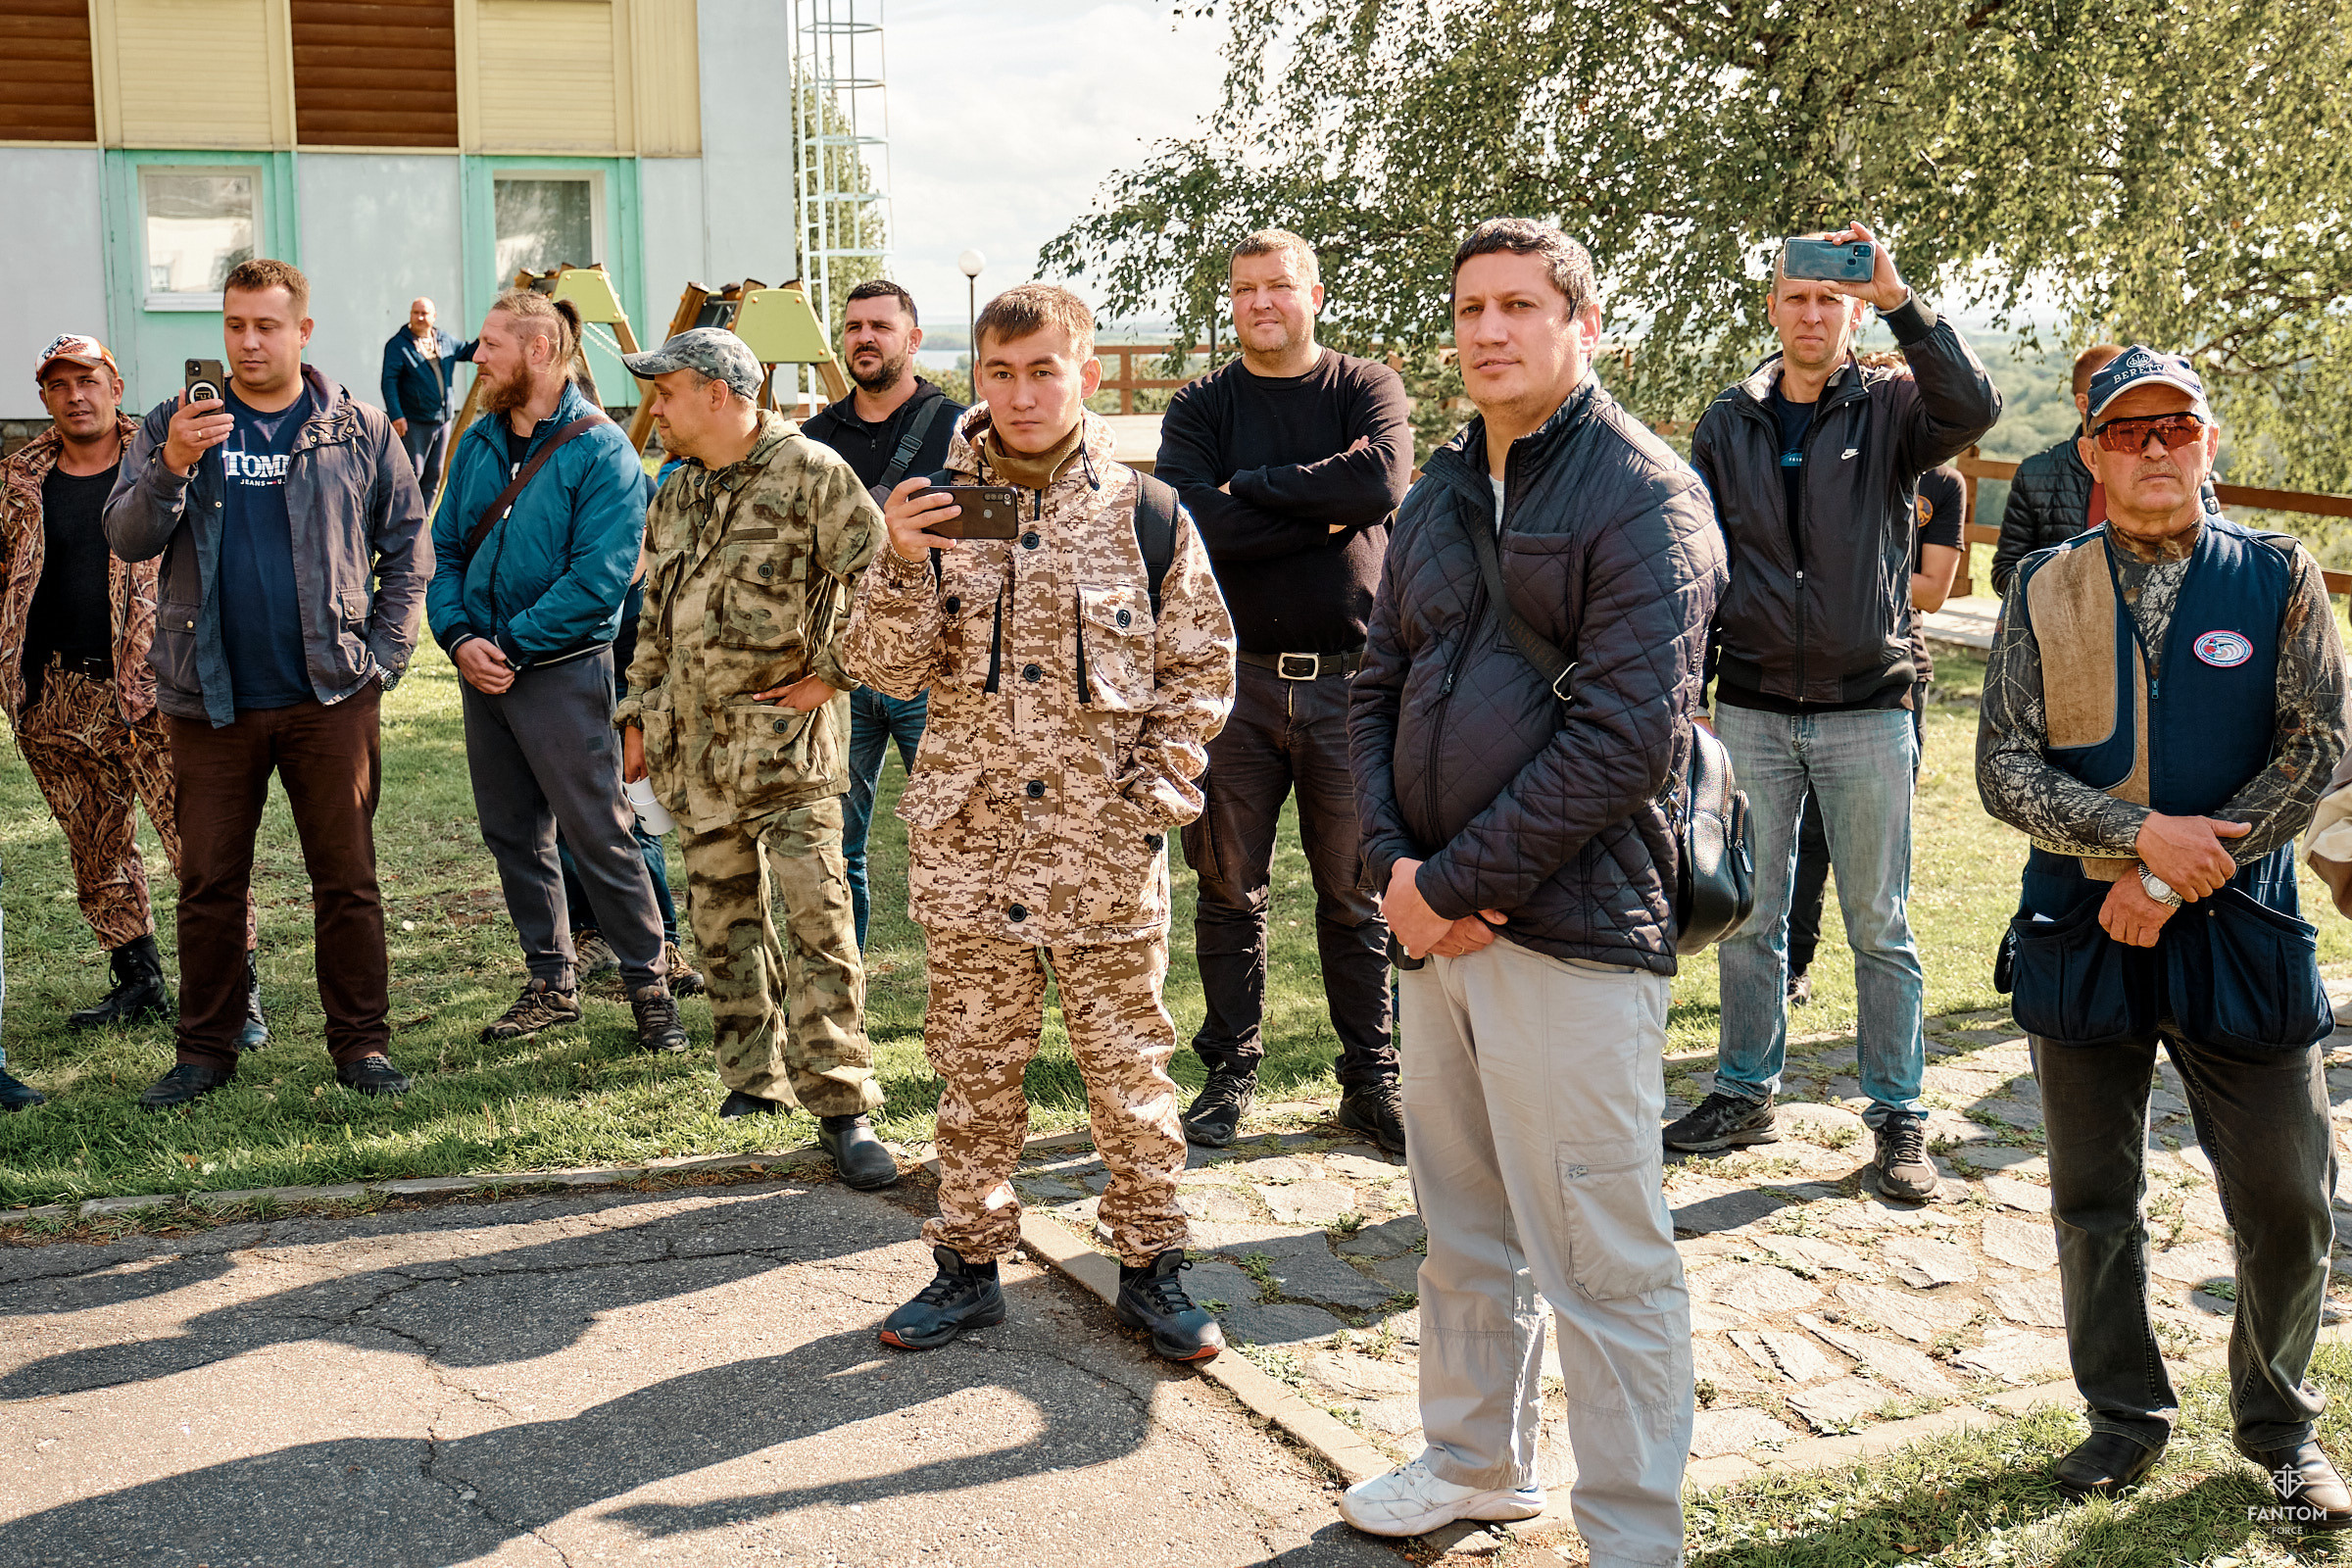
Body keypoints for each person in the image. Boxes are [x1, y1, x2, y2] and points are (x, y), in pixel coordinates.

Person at [1341, 218, 1721, 1551]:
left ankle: (1630, 1533)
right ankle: (1470, 1464)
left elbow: (1629, 738)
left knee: (1602, 1262)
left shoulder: (1644, 493)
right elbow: (1378, 681)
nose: (1489, 330)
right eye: (1469, 308)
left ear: (1582, 324)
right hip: (1433, 928)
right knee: (1465, 1234)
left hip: (1566, 932)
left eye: (1518, 306)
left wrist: (1461, 882)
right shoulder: (1441, 486)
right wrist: (1392, 866)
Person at [1977, 346, 2351, 1518]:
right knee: (2094, 1197)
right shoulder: (2043, 583)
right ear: (2089, 451)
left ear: (2210, 443)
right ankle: (2122, 1416)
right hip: (2080, 926)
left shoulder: (2282, 573)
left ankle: (2282, 1426)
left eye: (2175, 429)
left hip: (2240, 923)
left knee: (2290, 1198)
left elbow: (2320, 748)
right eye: (2127, 431)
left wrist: (2188, 869)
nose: (2153, 449)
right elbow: (2003, 767)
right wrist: (2137, 838)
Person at [843, 282, 1237, 1360]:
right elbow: (875, 667)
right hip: (972, 847)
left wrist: (1151, 798)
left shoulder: (1148, 514)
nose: (1021, 394)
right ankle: (965, 1264)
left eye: (1044, 370)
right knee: (972, 1065)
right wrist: (899, 560)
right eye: (1002, 372)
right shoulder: (926, 504)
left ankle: (1154, 1267)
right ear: (979, 374)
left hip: (1102, 852)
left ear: (1087, 373)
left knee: (1128, 1070)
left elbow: (1198, 666)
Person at [1663, 225, 2000, 1202]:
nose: (1813, 313)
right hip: (1758, 704)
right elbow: (1701, 563)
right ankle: (1742, 1091)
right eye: (1796, 297)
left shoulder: (1896, 404)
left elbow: (1974, 405)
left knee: (1878, 922)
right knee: (1752, 918)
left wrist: (1902, 292)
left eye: (1832, 299)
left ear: (1853, 313)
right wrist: (1697, 696)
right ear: (1773, 307)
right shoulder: (1729, 421)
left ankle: (1898, 1116)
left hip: (1868, 705)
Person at [104, 259, 429, 1106]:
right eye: (235, 326)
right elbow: (128, 537)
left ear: (302, 333)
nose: (249, 343)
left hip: (329, 695)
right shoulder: (172, 425)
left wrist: (384, 659)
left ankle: (362, 1048)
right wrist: (172, 462)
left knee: (347, 878)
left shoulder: (356, 428)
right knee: (211, 882)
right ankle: (204, 1054)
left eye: (267, 326)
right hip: (209, 700)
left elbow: (408, 545)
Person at [613, 326, 897, 1186]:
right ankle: (752, 1077)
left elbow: (886, 585)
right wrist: (635, 715)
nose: (654, 410)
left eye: (665, 393)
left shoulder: (811, 472)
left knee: (817, 920)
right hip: (692, 750)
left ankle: (842, 1104)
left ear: (717, 393)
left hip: (789, 752)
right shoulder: (674, 491)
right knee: (721, 920)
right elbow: (654, 616)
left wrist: (832, 676)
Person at [1153, 228, 1413, 1153]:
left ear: (1314, 294)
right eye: (1245, 289)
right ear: (1232, 300)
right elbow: (1191, 522)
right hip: (1236, 691)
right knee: (1228, 889)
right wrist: (1325, 512)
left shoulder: (1365, 386)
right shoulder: (1201, 403)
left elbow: (1382, 480)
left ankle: (1370, 1079)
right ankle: (1229, 1072)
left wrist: (1253, 488)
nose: (1262, 302)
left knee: (1357, 896)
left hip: (1354, 690)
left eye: (1280, 286)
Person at [427, 289, 687, 1058]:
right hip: (484, 674)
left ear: (538, 351)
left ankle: (650, 988)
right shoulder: (476, 444)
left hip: (563, 674)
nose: (477, 357)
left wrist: (507, 646)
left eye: (490, 344)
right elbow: (443, 551)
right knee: (513, 832)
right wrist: (459, 639)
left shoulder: (603, 449)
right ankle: (550, 982)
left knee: (599, 833)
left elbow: (600, 579)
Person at [0, 337, 262, 1056]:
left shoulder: (162, 455)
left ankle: (238, 990)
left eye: (88, 379)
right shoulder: (17, 477)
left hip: (158, 684)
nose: (75, 395)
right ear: (44, 396)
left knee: (199, 845)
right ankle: (136, 977)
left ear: (116, 383)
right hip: (51, 693)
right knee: (96, 844)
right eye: (57, 384)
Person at [800, 279, 964, 950]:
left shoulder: (960, 430)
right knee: (837, 846)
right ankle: (846, 991)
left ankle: (969, 1003)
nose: (864, 339)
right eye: (853, 328)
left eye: (880, 327)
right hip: (844, 669)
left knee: (958, 843)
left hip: (937, 668)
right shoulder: (815, 437)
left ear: (913, 340)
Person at [1785, 456, 1965, 1005]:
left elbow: (1933, 592)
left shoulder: (1941, 481)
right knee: (1807, 834)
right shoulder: (1832, 467)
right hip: (1814, 671)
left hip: (1899, 677)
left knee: (1885, 844)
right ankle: (1792, 968)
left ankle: (1887, 991)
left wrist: (1847, 568)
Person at [1987, 343, 2123, 597]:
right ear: (2083, 403)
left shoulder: (2169, 466)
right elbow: (2005, 572)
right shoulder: (2035, 475)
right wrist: (2065, 600)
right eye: (2115, 391)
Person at [380, 297, 477, 513]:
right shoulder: (398, 345)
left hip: (442, 421)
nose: (420, 318)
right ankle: (402, 520)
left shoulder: (444, 340)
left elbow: (470, 351)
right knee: (412, 474)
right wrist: (396, 415)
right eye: (416, 313)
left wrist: (494, 336)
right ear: (410, 315)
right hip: (414, 421)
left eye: (425, 313)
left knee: (435, 474)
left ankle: (423, 522)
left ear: (434, 316)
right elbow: (388, 382)